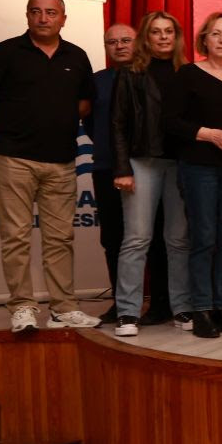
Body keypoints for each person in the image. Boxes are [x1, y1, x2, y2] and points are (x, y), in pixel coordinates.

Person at [0, 0, 99, 333]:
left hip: (61, 161)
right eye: (36, 12)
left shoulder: (77, 56)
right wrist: (12, 127)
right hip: (14, 159)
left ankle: (63, 308)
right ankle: (23, 308)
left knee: (60, 239)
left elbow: (84, 105)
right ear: (27, 16)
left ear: (63, 19)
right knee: (16, 237)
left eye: (51, 12)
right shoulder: (5, 52)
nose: (43, 18)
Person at [162, 12, 222, 338]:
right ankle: (202, 309)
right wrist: (209, 134)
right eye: (215, 34)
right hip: (199, 166)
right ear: (204, 39)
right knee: (204, 239)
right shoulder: (187, 75)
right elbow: (171, 122)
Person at [110, 12, 190, 336]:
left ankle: (182, 308)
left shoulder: (187, 72)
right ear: (147, 36)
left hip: (181, 164)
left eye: (168, 31)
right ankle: (128, 312)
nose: (163, 37)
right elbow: (116, 123)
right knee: (137, 238)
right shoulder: (131, 73)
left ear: (176, 36)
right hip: (142, 163)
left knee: (179, 240)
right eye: (156, 32)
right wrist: (122, 168)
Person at [90, 23, 136, 323]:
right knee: (114, 237)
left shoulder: (148, 77)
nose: (119, 46)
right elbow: (89, 124)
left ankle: (163, 302)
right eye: (111, 41)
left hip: (148, 167)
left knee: (153, 236)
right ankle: (121, 304)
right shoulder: (95, 82)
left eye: (125, 40)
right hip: (107, 168)